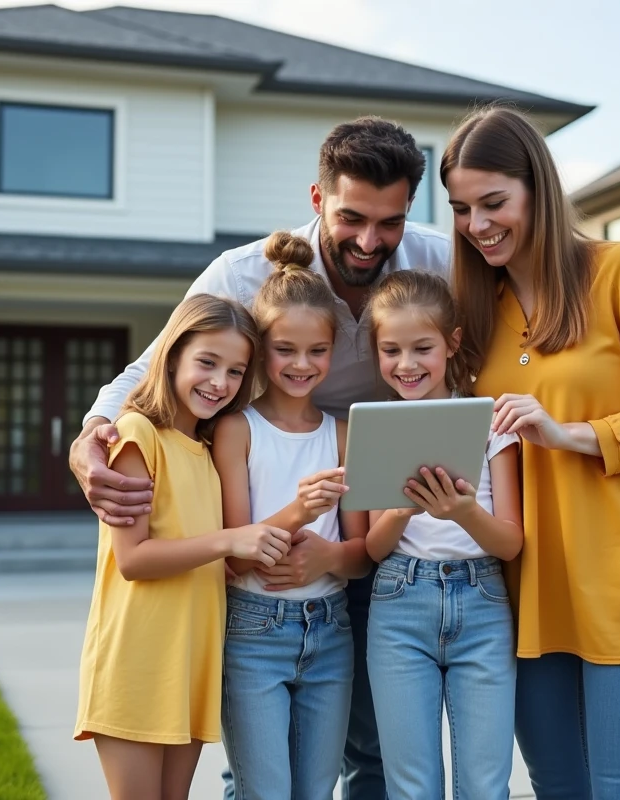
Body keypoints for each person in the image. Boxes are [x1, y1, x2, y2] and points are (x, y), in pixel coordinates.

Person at [71, 116, 450, 799]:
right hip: (265, 568)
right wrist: (90, 432)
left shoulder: (438, 260)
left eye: (388, 222)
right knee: (260, 771)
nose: (369, 241)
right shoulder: (241, 274)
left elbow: (513, 340)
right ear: (317, 199)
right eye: (352, 217)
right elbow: (158, 362)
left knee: (370, 746)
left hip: (372, 519)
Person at [441, 106, 620, 799]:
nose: (478, 224)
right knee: (560, 789)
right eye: (462, 208)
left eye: (494, 202)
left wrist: (573, 434)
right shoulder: (475, 312)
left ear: (537, 187)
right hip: (527, 595)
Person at [72, 294, 295, 800]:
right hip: (138, 660)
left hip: (190, 663)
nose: (220, 382)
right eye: (207, 363)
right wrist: (231, 540)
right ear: (171, 356)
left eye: (236, 371)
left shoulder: (207, 449)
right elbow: (133, 559)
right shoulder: (136, 433)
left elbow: (211, 559)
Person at [211, 231, 372, 799]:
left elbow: (361, 556)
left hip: (331, 632)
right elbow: (234, 554)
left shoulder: (344, 435)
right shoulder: (237, 431)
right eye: (285, 349)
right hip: (253, 632)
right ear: (259, 349)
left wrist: (328, 555)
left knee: (315, 791)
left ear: (334, 350)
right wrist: (300, 511)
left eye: (317, 351)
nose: (302, 364)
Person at [361, 270, 522, 799]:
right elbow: (371, 548)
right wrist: (402, 512)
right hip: (399, 605)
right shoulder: (375, 429)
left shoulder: (491, 423)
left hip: (482, 603)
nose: (406, 365)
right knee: (411, 786)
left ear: (451, 344)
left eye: (422, 348)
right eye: (391, 350)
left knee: (484, 783)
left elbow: (510, 542)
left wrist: (462, 512)